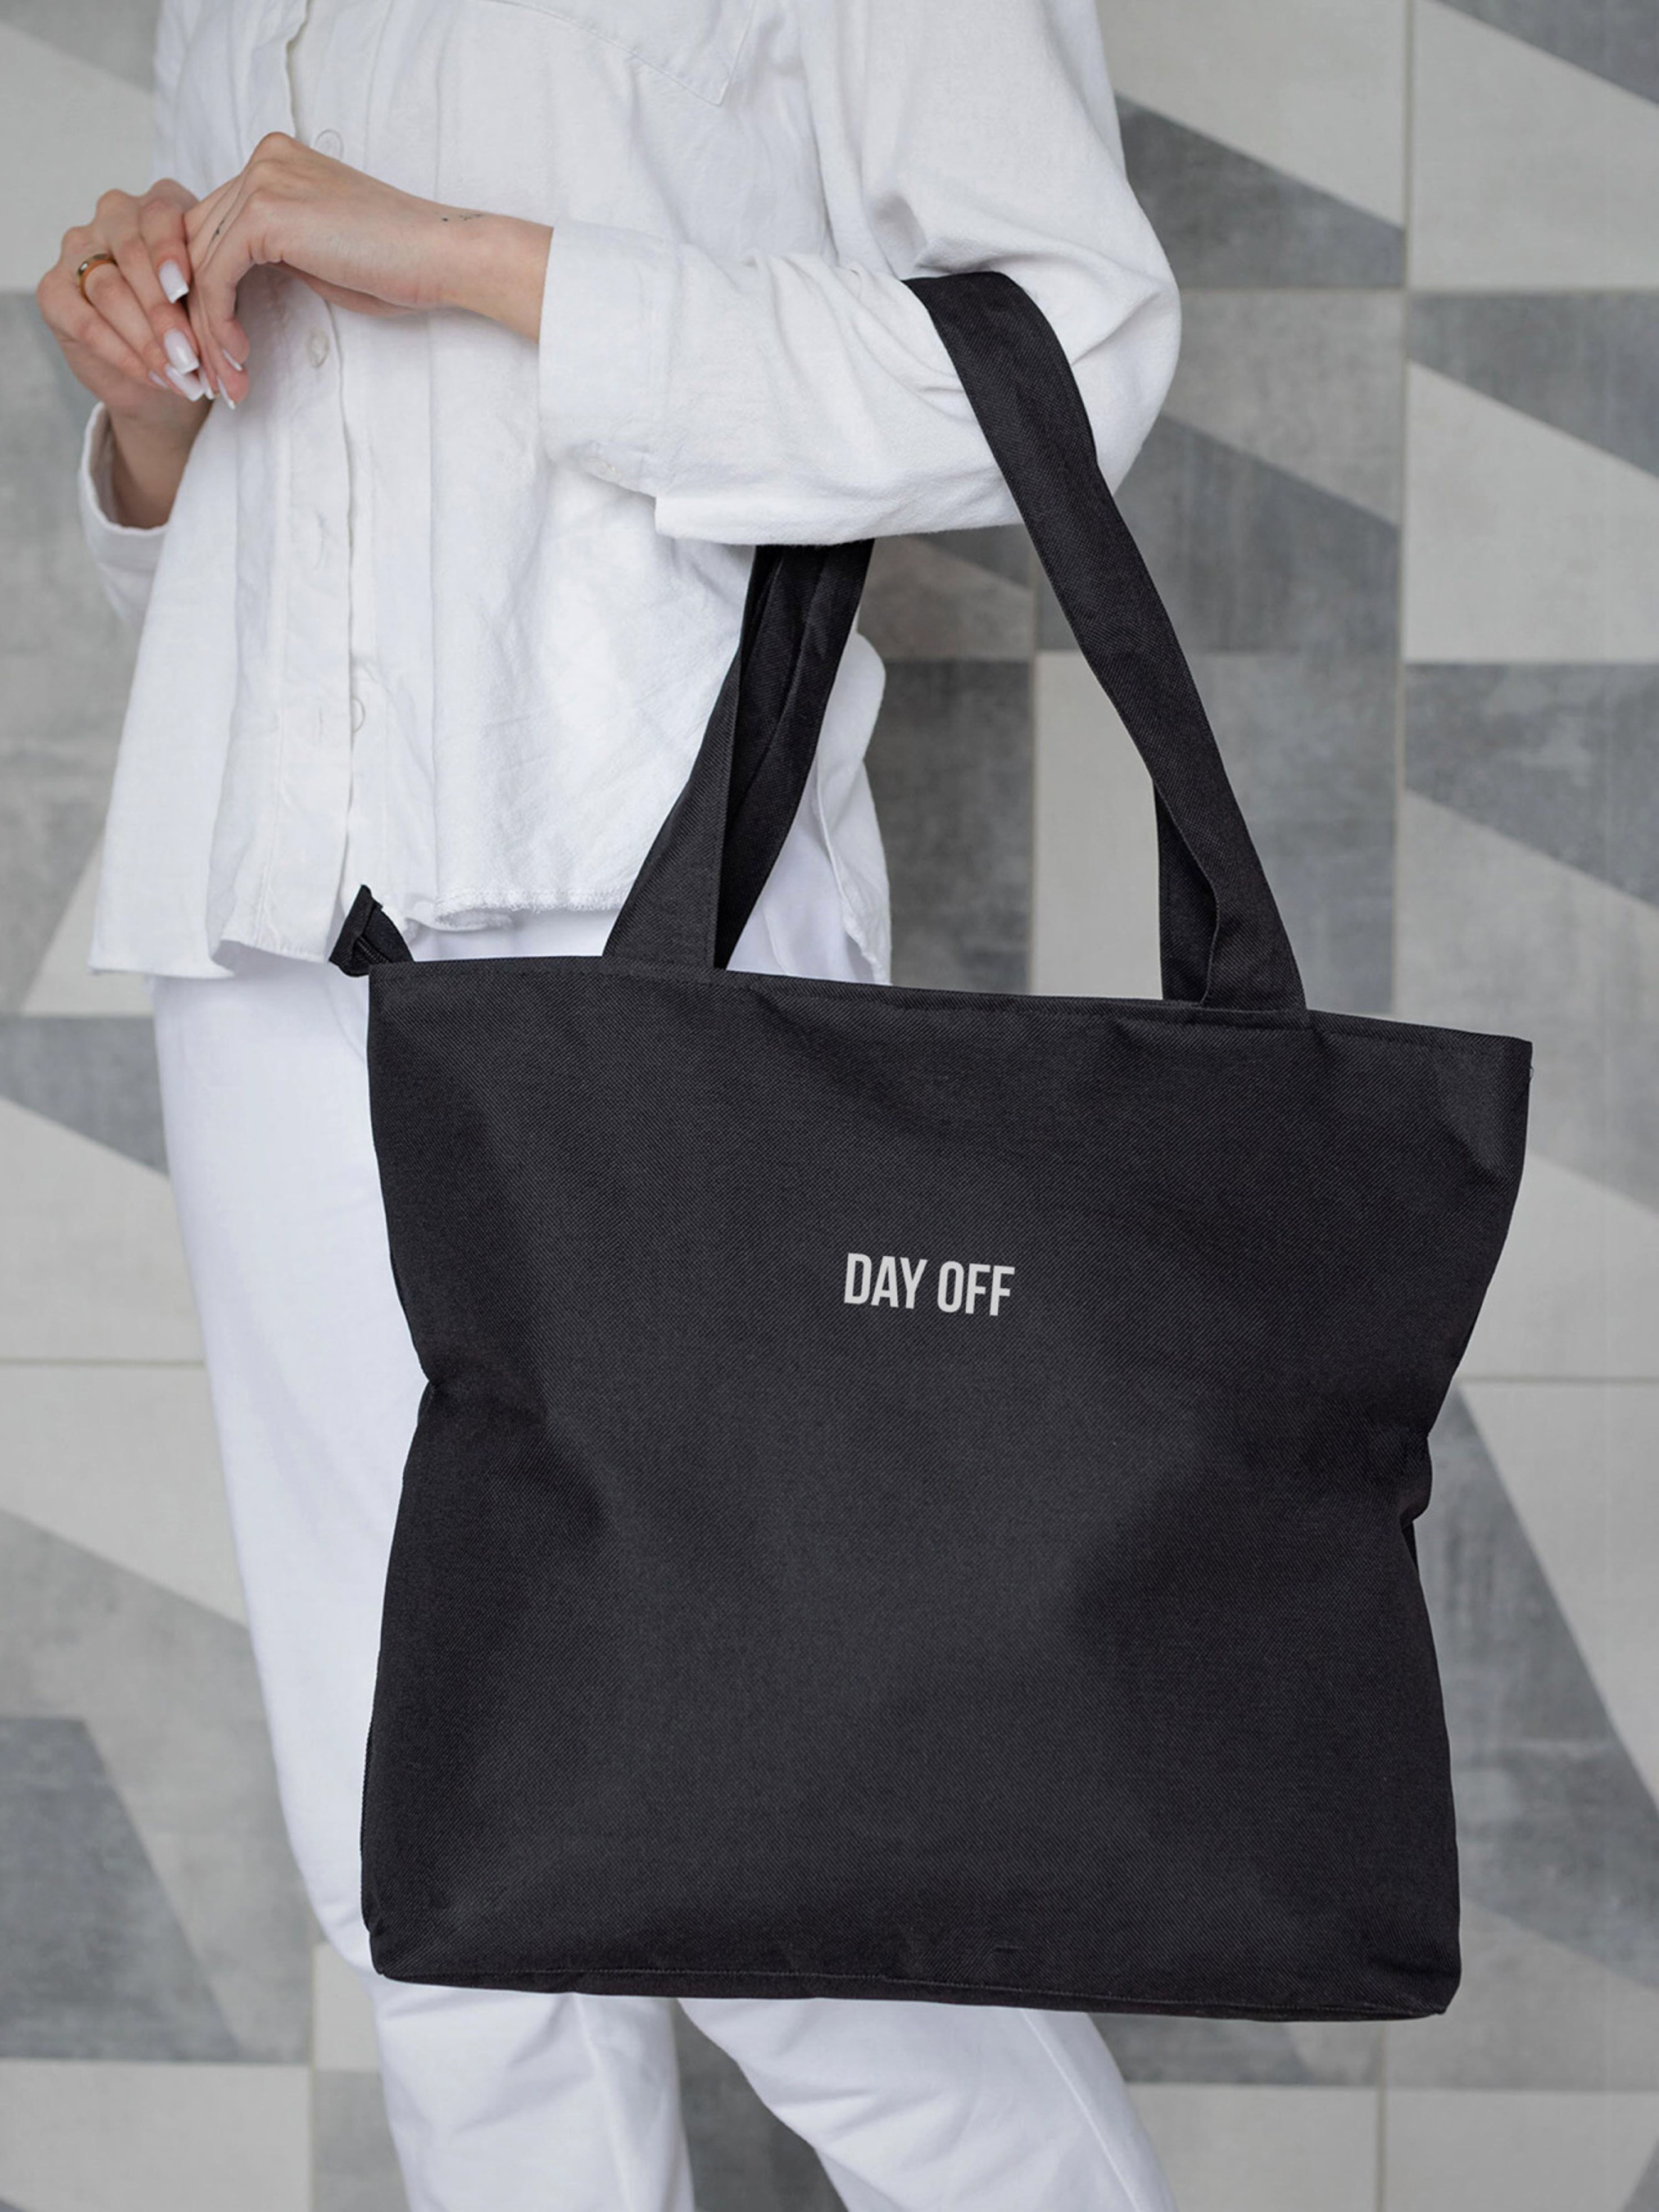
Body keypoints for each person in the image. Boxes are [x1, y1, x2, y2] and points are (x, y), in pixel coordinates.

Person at [37, 2, 1182, 2205]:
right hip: (264, 945)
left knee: (789, 1851)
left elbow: (1073, 348)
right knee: (424, 1872)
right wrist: (152, 419)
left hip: (654, 915)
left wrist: (480, 259)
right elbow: (271, 551)